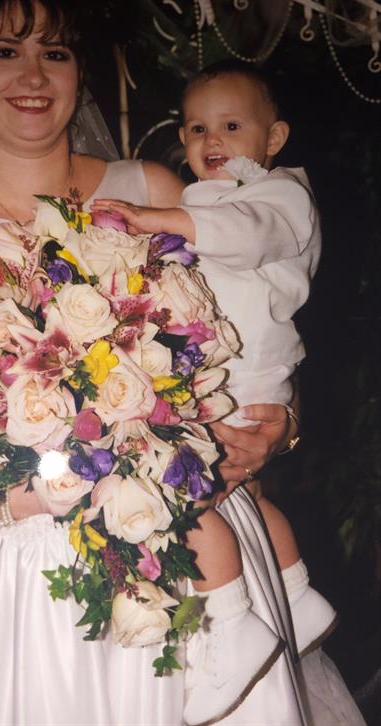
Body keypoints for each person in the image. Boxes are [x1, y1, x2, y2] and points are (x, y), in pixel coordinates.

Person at [0, 2, 364, 725]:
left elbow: (259, 338)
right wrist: (60, 491)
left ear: (78, 70)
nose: (32, 75)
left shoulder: (156, 191)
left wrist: (279, 425)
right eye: (2, 51)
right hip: (37, 583)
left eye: (54, 53)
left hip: (207, 559)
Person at [92, 60, 341, 724]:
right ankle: (296, 591)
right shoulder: (207, 195)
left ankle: (231, 627)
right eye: (198, 127)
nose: (212, 140)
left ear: (274, 136)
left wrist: (153, 218)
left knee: (181, 492)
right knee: (247, 495)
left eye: (232, 125)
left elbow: (243, 235)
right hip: (231, 372)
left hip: (249, 372)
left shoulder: (281, 194)